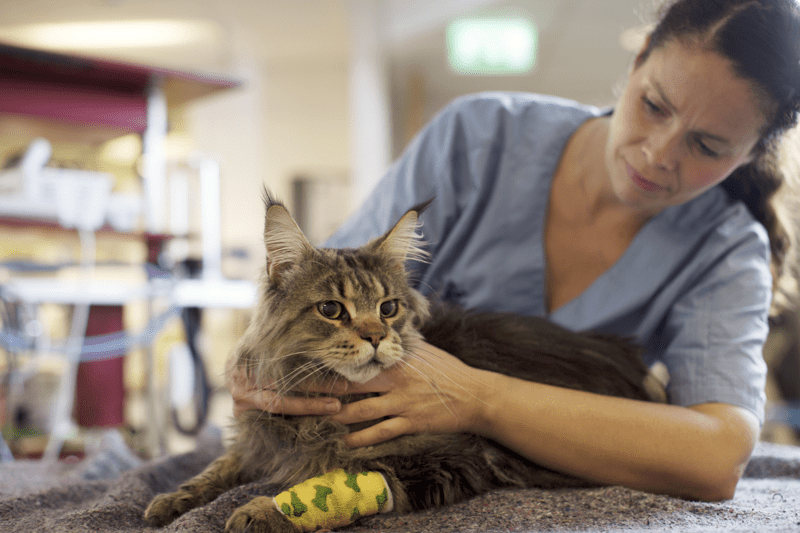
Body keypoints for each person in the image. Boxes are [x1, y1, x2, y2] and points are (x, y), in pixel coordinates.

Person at [228, 0, 800, 501]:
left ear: (751, 154)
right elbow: (322, 297)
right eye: (654, 105)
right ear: (638, 57)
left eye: (707, 145)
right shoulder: (476, 140)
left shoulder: (726, 251)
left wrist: (476, 398)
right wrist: (258, 367)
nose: (658, 154)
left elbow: (717, 457)